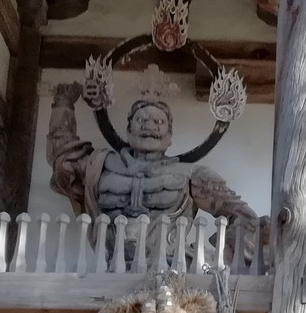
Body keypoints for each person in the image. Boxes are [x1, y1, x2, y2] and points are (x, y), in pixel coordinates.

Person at [47, 82, 261, 263]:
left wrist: (219, 255)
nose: (149, 126)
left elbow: (243, 216)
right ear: (129, 130)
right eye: (141, 120)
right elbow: (62, 159)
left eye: (159, 122)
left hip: (169, 271)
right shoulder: (100, 165)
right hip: (107, 266)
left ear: (170, 135)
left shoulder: (190, 175)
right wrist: (62, 106)